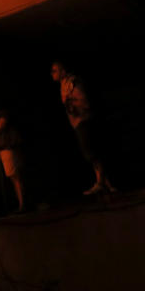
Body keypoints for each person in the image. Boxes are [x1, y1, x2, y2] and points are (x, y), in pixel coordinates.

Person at [50, 61, 113, 195]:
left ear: (63, 71)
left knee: (92, 153)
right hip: (77, 121)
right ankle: (105, 183)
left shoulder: (72, 83)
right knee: (91, 153)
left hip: (84, 120)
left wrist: (70, 102)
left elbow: (84, 101)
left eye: (55, 70)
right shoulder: (64, 85)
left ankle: (102, 183)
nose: (52, 74)